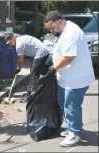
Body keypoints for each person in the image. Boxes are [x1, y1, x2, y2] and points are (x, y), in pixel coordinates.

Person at [44, 11, 95, 147]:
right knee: (64, 103)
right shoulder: (64, 29)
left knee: (71, 106)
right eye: (49, 29)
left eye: (52, 28)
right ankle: (73, 126)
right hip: (66, 77)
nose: (51, 31)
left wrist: (53, 67)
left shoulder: (71, 33)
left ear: (60, 21)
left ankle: (75, 133)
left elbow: (69, 57)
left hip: (76, 78)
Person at [4, 33, 51, 103]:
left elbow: (21, 59)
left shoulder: (19, 45)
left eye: (11, 42)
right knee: (43, 72)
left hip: (40, 53)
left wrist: (19, 68)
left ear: (14, 37)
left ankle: (30, 96)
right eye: (9, 44)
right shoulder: (21, 38)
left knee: (33, 74)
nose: (11, 45)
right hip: (44, 52)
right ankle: (47, 90)